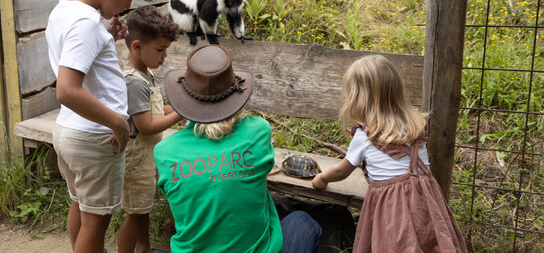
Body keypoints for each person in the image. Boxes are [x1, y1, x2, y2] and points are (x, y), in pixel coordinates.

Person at [45, 0, 157, 253]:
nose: (125, 8)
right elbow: (67, 90)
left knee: (80, 205)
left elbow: (80, 56)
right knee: (98, 220)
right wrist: (118, 124)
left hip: (70, 131)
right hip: (96, 136)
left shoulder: (66, 9)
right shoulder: (85, 24)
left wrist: (106, 36)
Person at [154, 44, 322, 253]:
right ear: (235, 93)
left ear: (185, 100)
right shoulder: (258, 131)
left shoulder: (164, 151)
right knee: (302, 221)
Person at [312, 55, 468, 253]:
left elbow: (341, 172)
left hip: (392, 207)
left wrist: (322, 179)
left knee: (395, 243)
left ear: (358, 99)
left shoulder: (364, 136)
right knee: (428, 239)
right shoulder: (414, 123)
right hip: (425, 199)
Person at [117, 5, 184, 253]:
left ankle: (144, 248)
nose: (164, 56)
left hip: (148, 155)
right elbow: (145, 126)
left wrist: (179, 106)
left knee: (142, 208)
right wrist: (181, 114)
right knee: (135, 213)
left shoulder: (147, 74)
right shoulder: (133, 81)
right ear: (136, 46)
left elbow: (155, 111)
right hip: (137, 157)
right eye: (160, 50)